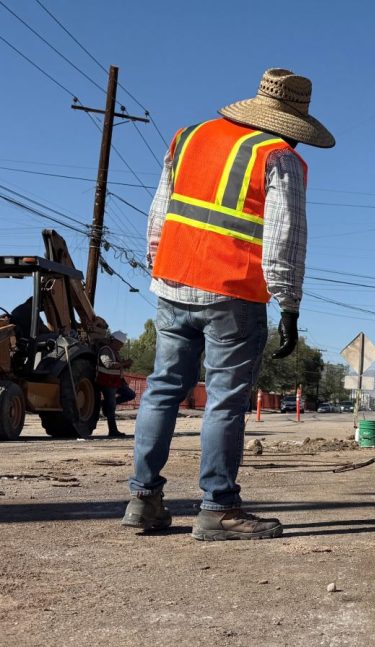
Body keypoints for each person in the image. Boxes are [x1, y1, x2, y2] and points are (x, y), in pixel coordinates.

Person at [123, 68, 334, 540]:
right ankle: (218, 508)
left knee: (161, 389)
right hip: (233, 293)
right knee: (224, 401)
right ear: (291, 123)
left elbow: (159, 211)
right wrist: (290, 305)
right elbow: (286, 239)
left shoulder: (189, 137)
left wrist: (161, 264)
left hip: (173, 284)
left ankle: (143, 500)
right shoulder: (278, 157)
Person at [97, 330, 136, 437]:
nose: (121, 347)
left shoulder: (115, 351)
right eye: (120, 344)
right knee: (111, 406)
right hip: (107, 382)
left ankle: (103, 404)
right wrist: (124, 363)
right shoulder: (105, 350)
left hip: (116, 382)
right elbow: (108, 364)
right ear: (114, 341)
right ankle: (113, 430)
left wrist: (125, 365)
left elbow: (117, 365)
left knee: (130, 394)